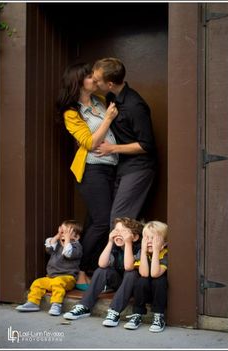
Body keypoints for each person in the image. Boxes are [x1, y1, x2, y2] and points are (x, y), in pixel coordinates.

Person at [56, 63, 118, 288]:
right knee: (103, 222)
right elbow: (90, 143)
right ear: (78, 82)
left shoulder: (100, 102)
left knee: (95, 222)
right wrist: (108, 119)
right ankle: (80, 269)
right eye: (90, 76)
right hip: (92, 170)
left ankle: (86, 270)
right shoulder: (71, 114)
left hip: (111, 168)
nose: (95, 79)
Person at [92, 58, 157, 228]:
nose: (94, 82)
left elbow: (146, 145)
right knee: (120, 219)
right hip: (122, 167)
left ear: (111, 84)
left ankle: (118, 255)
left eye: (97, 80)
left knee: (118, 219)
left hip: (139, 167)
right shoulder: (110, 97)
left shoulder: (135, 105)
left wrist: (112, 148)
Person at [63, 217, 143, 327]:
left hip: (134, 286)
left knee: (131, 273)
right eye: (116, 231)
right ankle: (84, 306)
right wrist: (110, 242)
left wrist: (128, 243)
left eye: (123, 232)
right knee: (102, 270)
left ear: (134, 237)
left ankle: (114, 311)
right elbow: (101, 264)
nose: (118, 234)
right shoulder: (115, 248)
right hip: (119, 284)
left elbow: (129, 267)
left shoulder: (139, 249)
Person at [15, 220, 83, 316]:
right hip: (51, 277)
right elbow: (49, 248)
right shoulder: (58, 244)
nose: (64, 235)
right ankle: (33, 302)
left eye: (68, 233)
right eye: (62, 232)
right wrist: (57, 236)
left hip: (67, 278)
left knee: (58, 283)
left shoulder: (76, 247)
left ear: (76, 237)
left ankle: (56, 304)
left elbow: (68, 254)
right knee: (37, 283)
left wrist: (67, 240)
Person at [124, 220, 168, 332]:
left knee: (159, 280)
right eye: (146, 238)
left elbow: (154, 273)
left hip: (160, 294)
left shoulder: (165, 254)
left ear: (164, 243)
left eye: (154, 238)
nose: (149, 241)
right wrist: (143, 252)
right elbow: (144, 273)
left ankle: (159, 316)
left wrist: (156, 251)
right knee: (141, 281)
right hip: (146, 293)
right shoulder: (142, 253)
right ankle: (137, 314)